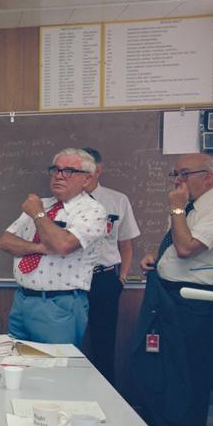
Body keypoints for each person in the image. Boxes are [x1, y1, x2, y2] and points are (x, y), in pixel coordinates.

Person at [127, 153, 213, 426]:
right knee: (158, 368)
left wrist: (176, 208)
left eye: (183, 173)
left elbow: (187, 248)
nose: (177, 180)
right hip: (168, 293)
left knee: (188, 374)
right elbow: (177, 248)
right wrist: (156, 259)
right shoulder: (188, 206)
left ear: (208, 176)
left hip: (198, 300)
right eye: (174, 174)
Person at [0, 148, 108, 345]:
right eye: (55, 170)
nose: (59, 176)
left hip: (59, 303)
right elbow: (5, 241)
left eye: (69, 171)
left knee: (54, 370)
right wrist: (39, 247)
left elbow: (63, 245)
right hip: (22, 299)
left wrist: (38, 215)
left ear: (87, 179)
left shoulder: (94, 211)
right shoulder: (43, 204)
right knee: (17, 363)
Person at [79, 147, 140, 386]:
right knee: (67, 343)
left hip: (103, 279)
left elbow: (126, 244)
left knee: (104, 344)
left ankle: (106, 398)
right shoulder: (62, 202)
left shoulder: (117, 200)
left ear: (98, 170)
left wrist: (121, 277)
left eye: (86, 168)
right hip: (68, 279)